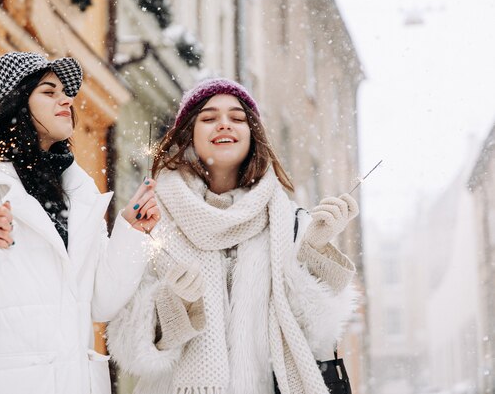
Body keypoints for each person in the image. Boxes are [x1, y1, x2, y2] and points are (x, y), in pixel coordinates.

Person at [0, 52, 159, 394]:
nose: (66, 99)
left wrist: (131, 232)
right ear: (15, 105)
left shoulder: (78, 191)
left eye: (65, 91)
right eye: (48, 91)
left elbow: (101, 303)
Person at [107, 78, 359, 394]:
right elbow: (130, 348)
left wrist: (317, 253)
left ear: (253, 135)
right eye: (209, 118)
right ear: (189, 135)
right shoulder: (154, 220)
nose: (224, 125)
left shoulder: (288, 222)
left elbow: (316, 334)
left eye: (237, 118)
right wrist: (174, 307)